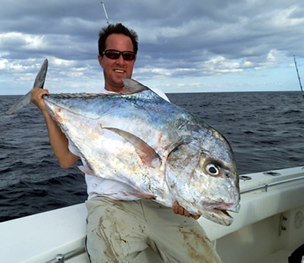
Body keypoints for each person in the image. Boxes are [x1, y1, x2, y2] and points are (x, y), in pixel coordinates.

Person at [31, 23, 221, 263]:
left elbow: (171, 159)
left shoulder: (156, 98)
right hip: (111, 206)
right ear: (101, 59)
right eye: (112, 54)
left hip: (160, 205)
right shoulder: (87, 108)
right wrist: (45, 109)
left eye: (127, 56)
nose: (120, 61)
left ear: (134, 60)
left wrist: (186, 196)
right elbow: (66, 160)